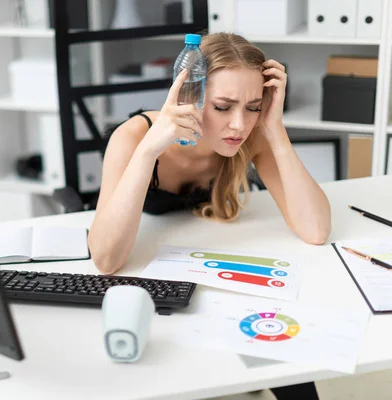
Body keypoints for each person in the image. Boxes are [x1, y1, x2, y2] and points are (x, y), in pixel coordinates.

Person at [87, 32, 330, 400]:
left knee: (283, 344)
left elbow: (315, 230)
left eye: (252, 106)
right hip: (156, 284)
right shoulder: (135, 136)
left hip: (215, 265)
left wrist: (275, 131)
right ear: (190, 95)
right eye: (223, 107)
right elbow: (106, 259)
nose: (239, 125)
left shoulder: (253, 134)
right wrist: (150, 150)